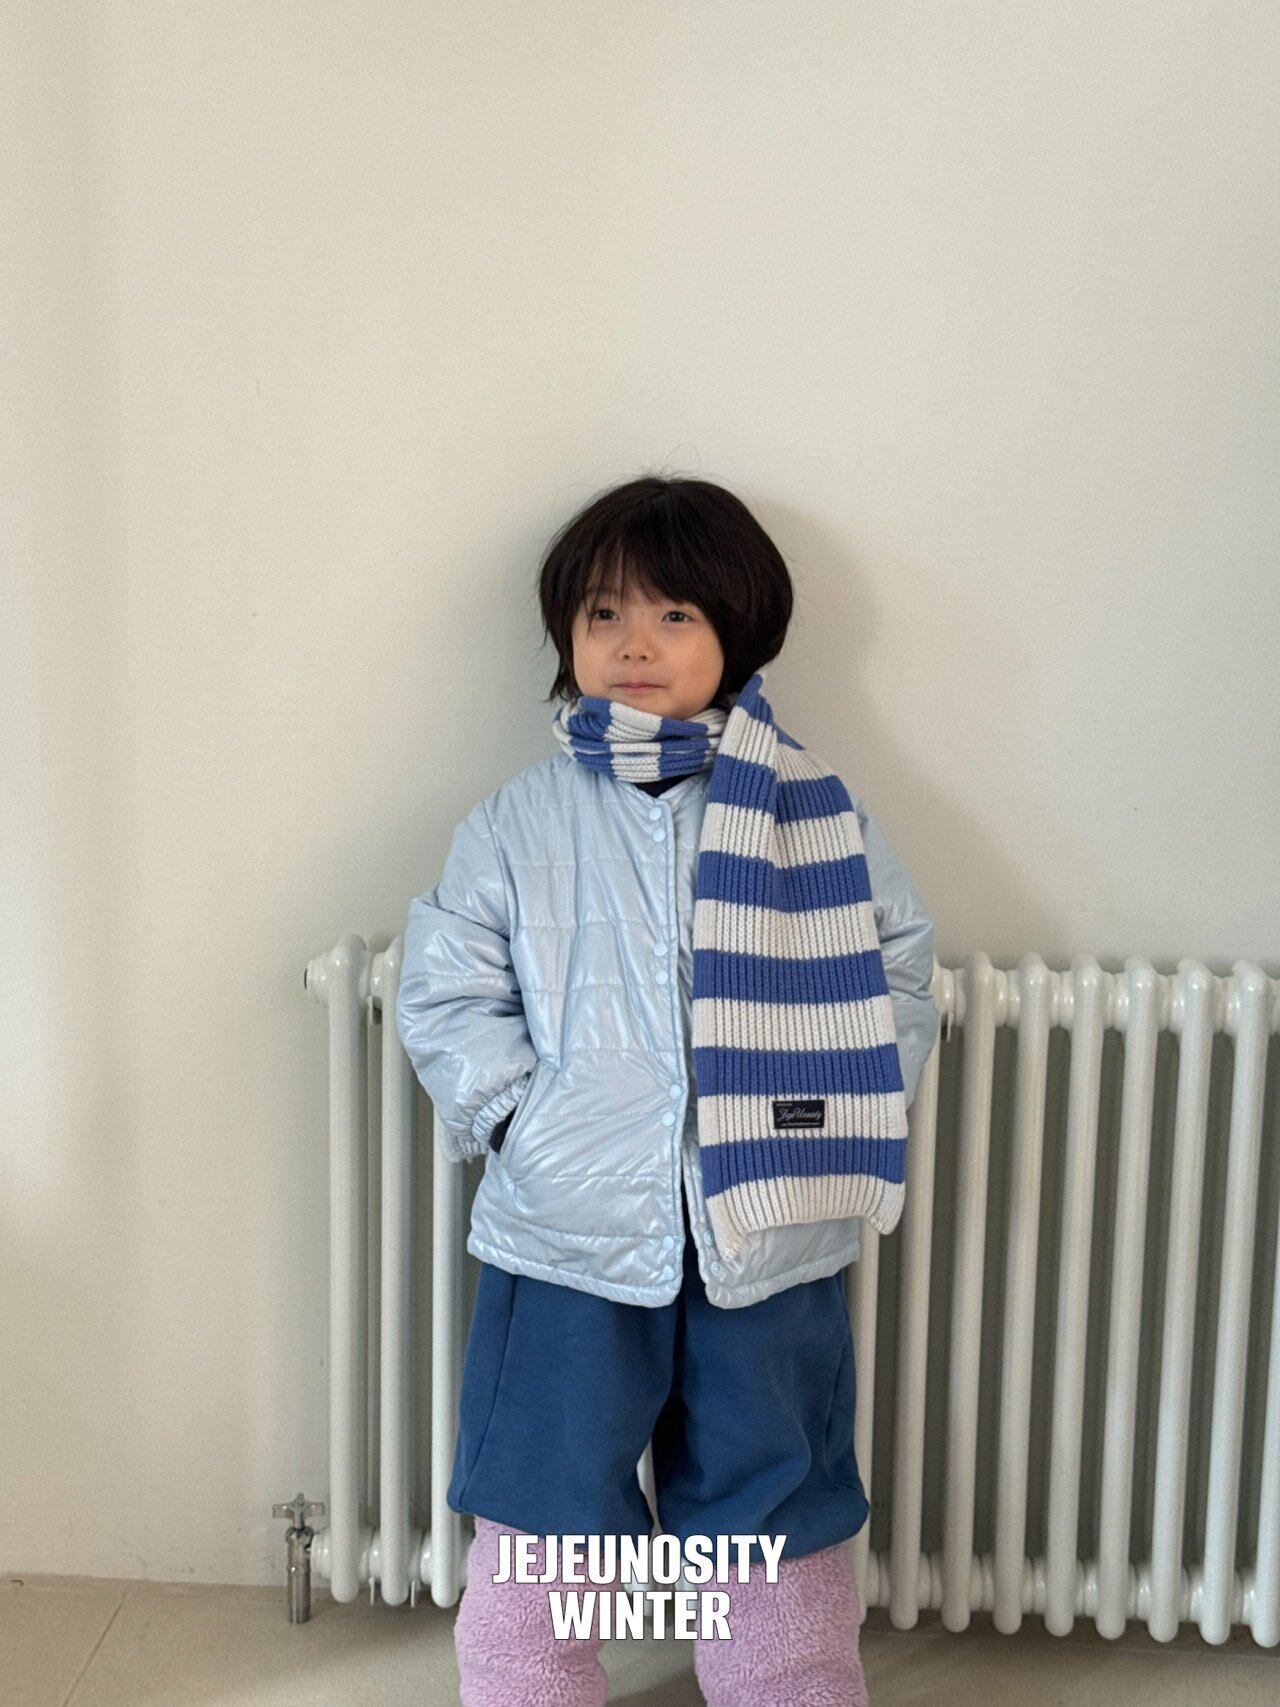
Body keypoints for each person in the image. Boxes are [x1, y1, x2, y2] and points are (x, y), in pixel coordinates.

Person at [396, 475, 942, 1705]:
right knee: (545, 1511)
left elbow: (895, 974)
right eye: (603, 614)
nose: (633, 644)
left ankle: (786, 1684)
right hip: (568, 1238)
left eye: (673, 614)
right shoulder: (516, 823)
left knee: (772, 1517)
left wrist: (832, 1114)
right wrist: (519, 1124)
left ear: (736, 633)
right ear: (567, 635)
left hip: (769, 1231)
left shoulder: (814, 814)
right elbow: (444, 993)